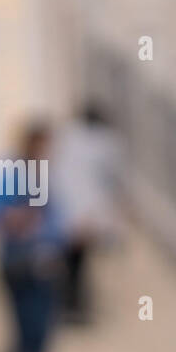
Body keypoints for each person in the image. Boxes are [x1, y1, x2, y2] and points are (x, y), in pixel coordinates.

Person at [0, 121, 66, 352]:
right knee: (26, 330)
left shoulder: (47, 176)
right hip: (17, 263)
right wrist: (11, 218)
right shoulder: (9, 172)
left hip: (42, 263)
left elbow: (57, 222)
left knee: (39, 330)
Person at [49, 103, 124, 324]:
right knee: (77, 263)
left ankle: (69, 305)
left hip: (65, 207)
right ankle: (74, 306)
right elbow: (111, 181)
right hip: (88, 211)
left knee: (70, 261)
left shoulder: (66, 136)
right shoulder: (108, 143)